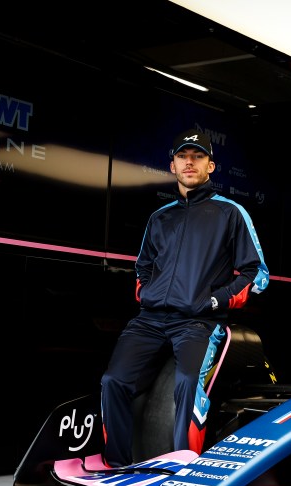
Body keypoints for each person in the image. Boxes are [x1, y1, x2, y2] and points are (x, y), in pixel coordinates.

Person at [99, 128, 270, 467]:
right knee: (113, 381)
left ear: (211, 166)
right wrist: (147, 292)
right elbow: (143, 266)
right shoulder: (159, 218)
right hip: (149, 320)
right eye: (183, 157)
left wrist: (216, 301)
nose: (189, 162)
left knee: (188, 385)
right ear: (173, 165)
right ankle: (116, 466)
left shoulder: (231, 213)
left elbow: (257, 273)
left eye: (198, 157)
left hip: (197, 322)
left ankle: (181, 470)